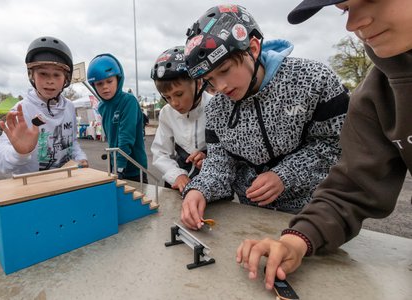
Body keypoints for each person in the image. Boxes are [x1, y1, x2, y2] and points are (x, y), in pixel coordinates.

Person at [236, 0, 412, 291]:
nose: (352, 24)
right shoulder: (377, 94)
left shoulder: (314, 79)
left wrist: (286, 175)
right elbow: (352, 188)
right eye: (344, 9)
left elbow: (327, 145)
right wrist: (296, 240)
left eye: (369, 0)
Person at [180, 4, 349, 230]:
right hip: (252, 218)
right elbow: (219, 165)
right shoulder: (216, 110)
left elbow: (337, 146)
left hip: (316, 214)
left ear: (253, 47)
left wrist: (286, 175)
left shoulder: (313, 80)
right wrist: (198, 190)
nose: (220, 86)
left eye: (225, 70)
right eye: (210, 80)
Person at [0, 36, 88, 174]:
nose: (50, 81)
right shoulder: (21, 110)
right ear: (32, 76)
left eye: (56, 75)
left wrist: (80, 157)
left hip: (65, 182)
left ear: (66, 78)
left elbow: (72, 143)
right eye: (43, 74)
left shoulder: (69, 107)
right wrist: (19, 153)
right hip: (34, 188)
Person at [150, 46, 212, 193]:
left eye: (179, 94)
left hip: (211, 183)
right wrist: (176, 175)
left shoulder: (215, 106)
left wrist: (209, 160)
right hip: (178, 184)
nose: (174, 103)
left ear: (198, 83)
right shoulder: (166, 113)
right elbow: (160, 152)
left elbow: (230, 153)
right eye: (167, 97)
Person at [87, 54, 148, 182]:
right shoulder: (102, 106)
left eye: (109, 81)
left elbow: (125, 137)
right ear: (94, 86)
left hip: (134, 168)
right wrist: (114, 165)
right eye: (99, 83)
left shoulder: (128, 101)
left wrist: (119, 167)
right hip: (115, 166)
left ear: (118, 79)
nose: (105, 87)